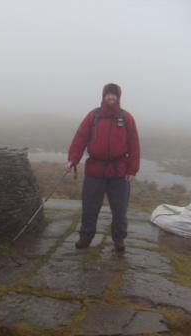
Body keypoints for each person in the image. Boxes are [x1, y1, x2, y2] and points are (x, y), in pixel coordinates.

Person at [65, 83, 140, 252]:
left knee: (120, 210)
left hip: (119, 172)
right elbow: (80, 138)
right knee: (90, 207)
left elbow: (134, 145)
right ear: (103, 96)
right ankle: (86, 237)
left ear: (118, 97)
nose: (110, 97)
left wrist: (132, 170)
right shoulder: (93, 116)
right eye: (108, 94)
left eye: (113, 94)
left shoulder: (126, 118)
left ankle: (119, 239)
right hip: (95, 170)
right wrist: (72, 160)